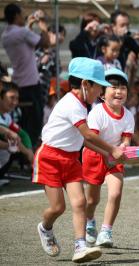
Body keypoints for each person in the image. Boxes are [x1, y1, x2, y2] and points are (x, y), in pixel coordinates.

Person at [32, 57, 125, 263]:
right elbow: (89, 135)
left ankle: (80, 246)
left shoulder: (83, 104)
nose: (100, 92)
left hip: (71, 159)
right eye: (98, 87)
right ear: (85, 84)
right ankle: (45, 228)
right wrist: (112, 149)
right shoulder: (72, 104)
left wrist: (105, 154)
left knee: (80, 202)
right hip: (49, 158)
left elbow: (83, 139)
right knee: (58, 208)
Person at [83, 68, 134, 248]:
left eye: (122, 87)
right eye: (113, 87)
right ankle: (89, 222)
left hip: (114, 158)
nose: (119, 91)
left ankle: (106, 231)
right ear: (102, 93)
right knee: (92, 200)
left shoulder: (128, 115)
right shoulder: (97, 112)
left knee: (115, 192)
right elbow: (89, 141)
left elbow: (126, 139)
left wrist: (123, 147)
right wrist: (109, 152)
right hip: (94, 155)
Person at [1, 4, 50, 148]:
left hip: (18, 83)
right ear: (16, 16)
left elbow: (26, 44)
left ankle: (21, 153)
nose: (24, 17)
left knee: (21, 121)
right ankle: (30, 151)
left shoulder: (6, 35)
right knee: (35, 120)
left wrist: (28, 24)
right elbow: (46, 43)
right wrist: (42, 24)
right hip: (31, 83)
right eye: (22, 14)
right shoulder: (22, 33)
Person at [110, 10, 139, 80]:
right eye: (122, 25)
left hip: (123, 79)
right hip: (109, 79)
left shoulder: (129, 40)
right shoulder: (107, 40)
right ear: (113, 27)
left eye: (127, 25)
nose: (126, 28)